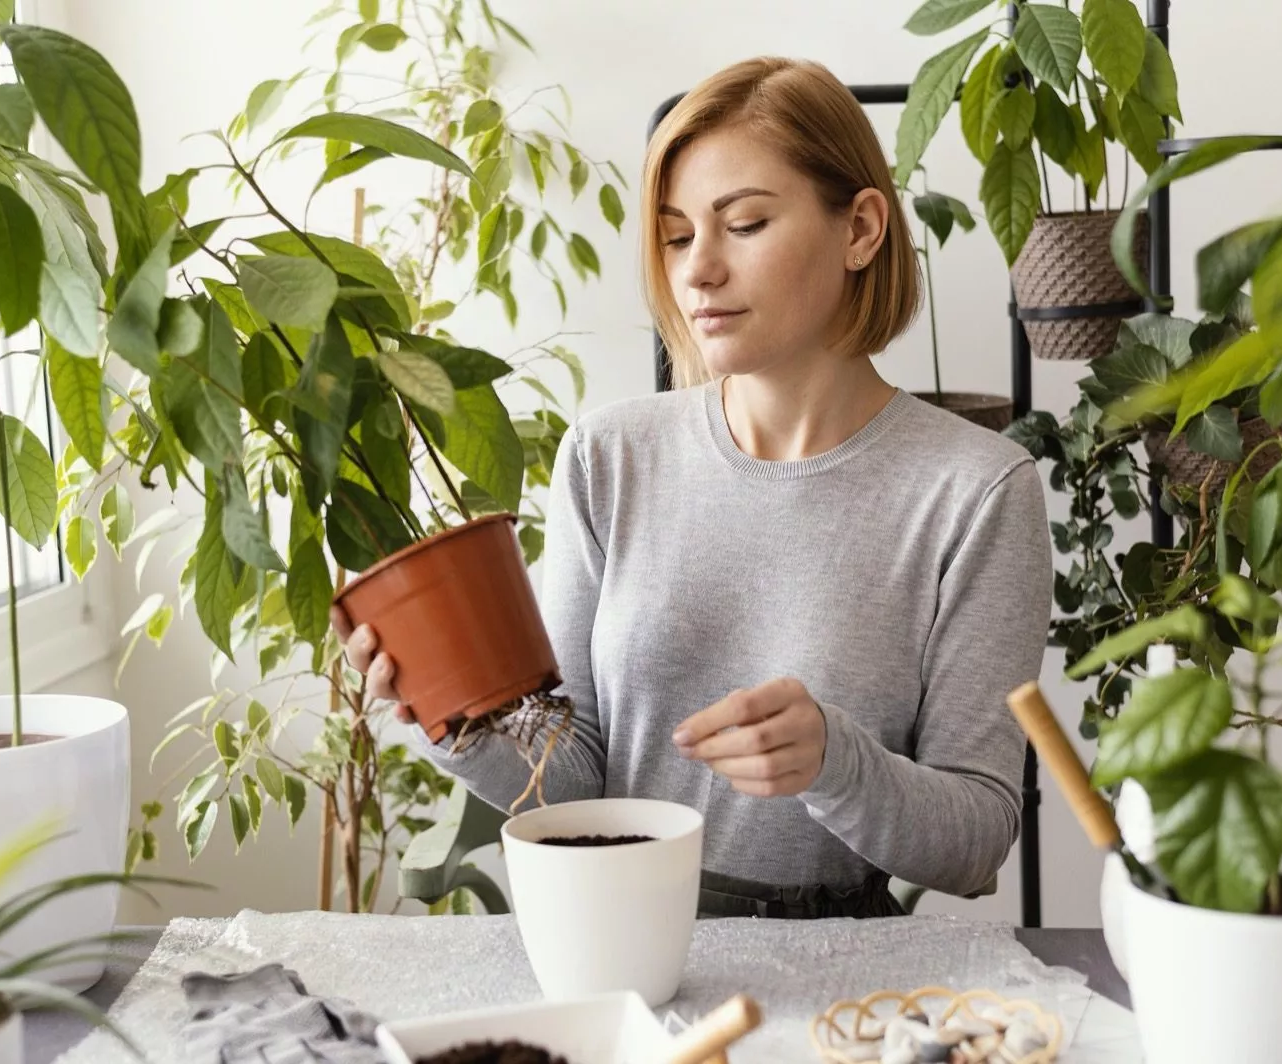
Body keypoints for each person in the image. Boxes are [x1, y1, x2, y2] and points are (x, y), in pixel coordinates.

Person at [332, 57, 1052, 919]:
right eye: (676, 237)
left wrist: (835, 762)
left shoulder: (977, 491)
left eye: (743, 224)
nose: (698, 270)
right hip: (615, 931)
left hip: (841, 973)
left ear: (861, 229)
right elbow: (573, 781)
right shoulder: (608, 456)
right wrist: (446, 710)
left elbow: (975, 841)